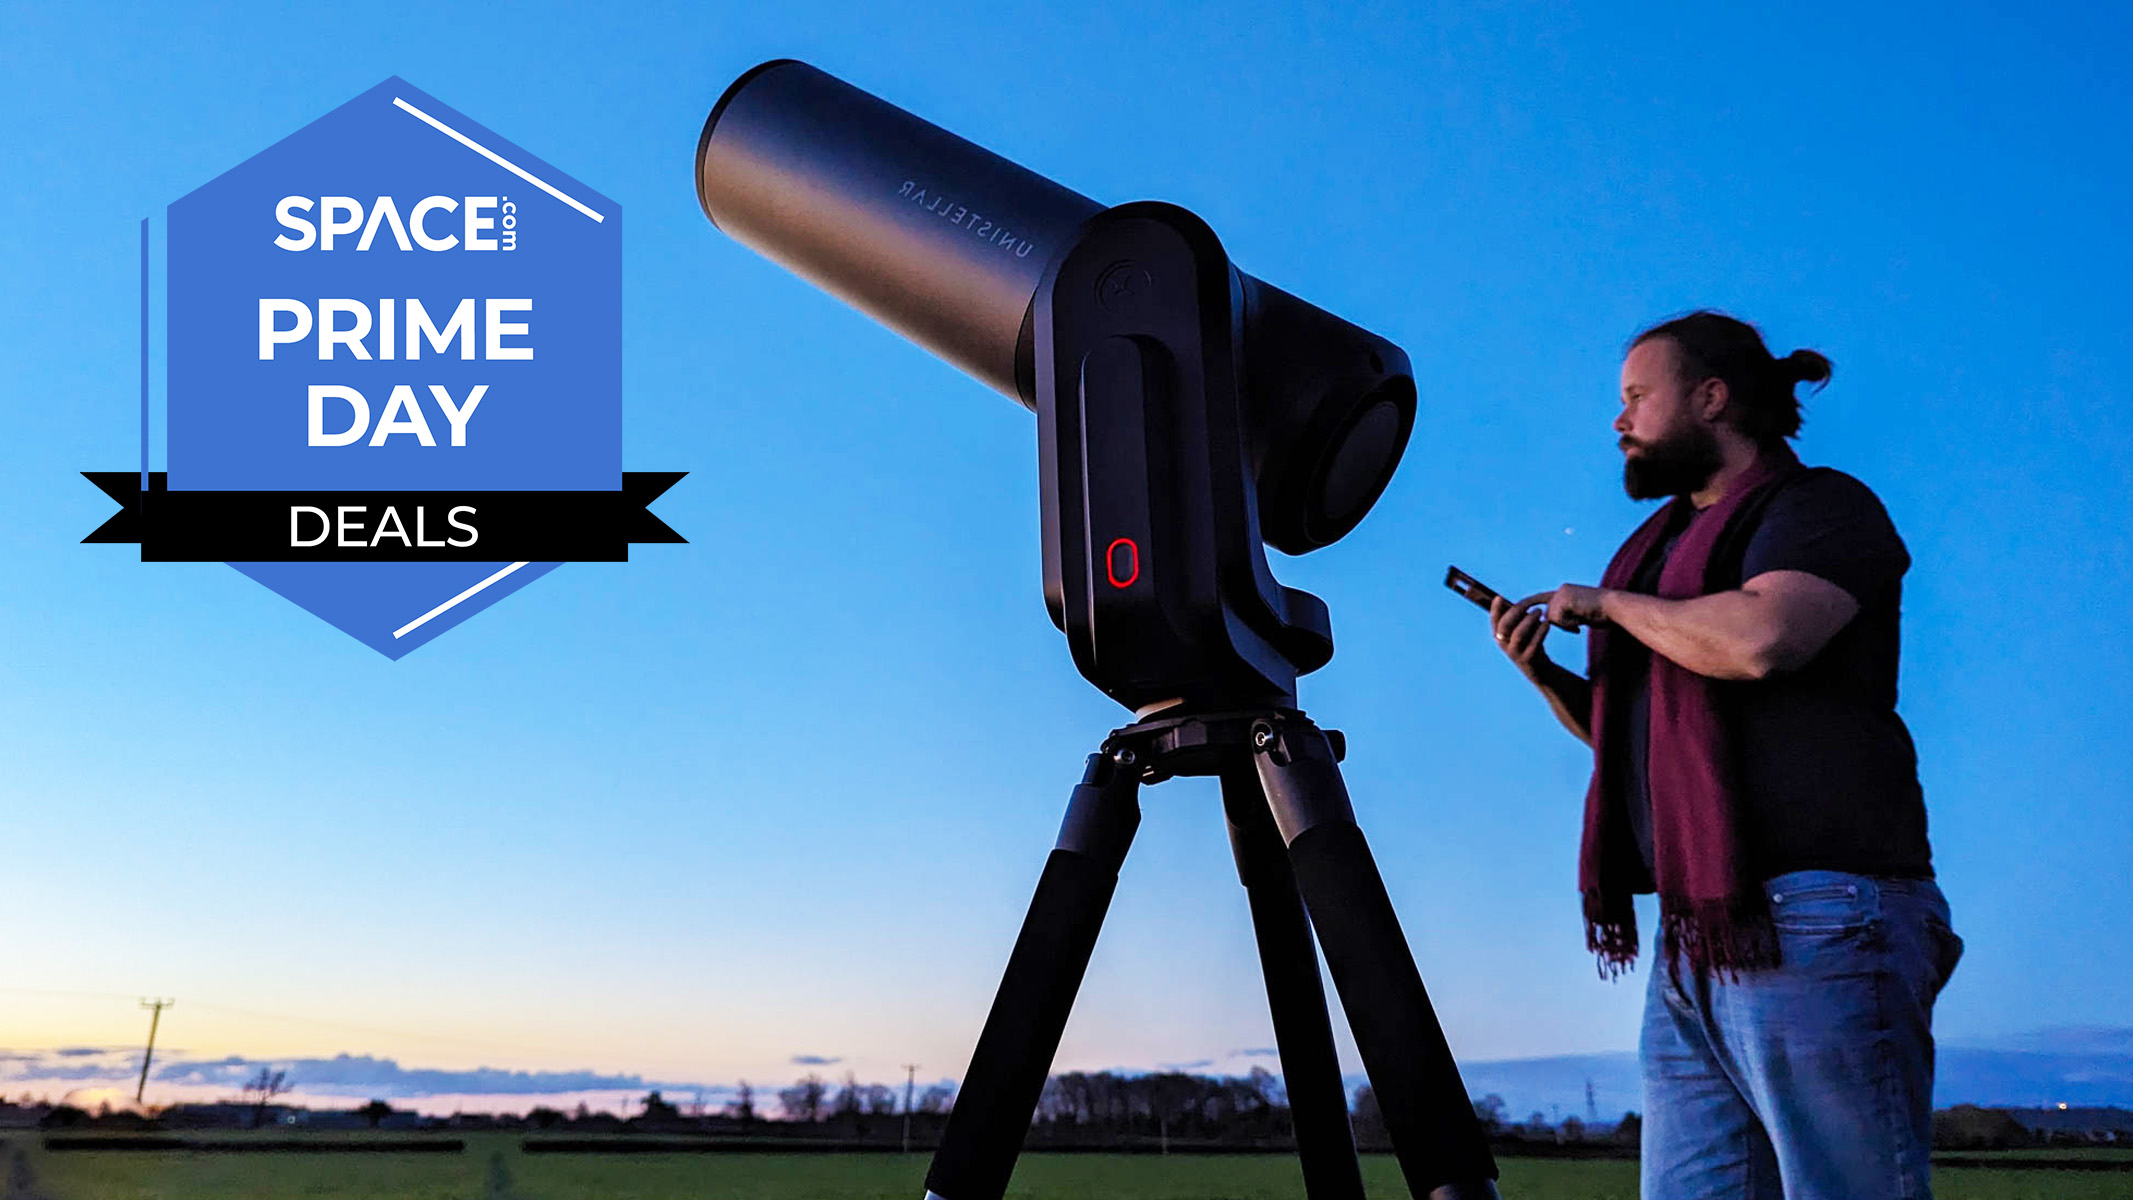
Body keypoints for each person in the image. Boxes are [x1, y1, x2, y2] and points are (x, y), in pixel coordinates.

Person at [1487, 311, 1964, 1200]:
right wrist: (1548, 677)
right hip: (1701, 923)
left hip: (1818, 914)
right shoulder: (1657, 554)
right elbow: (1637, 742)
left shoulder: (1819, 509)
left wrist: (1611, 608)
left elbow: (1760, 639)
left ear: (1711, 398)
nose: (1617, 420)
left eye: (1636, 397)